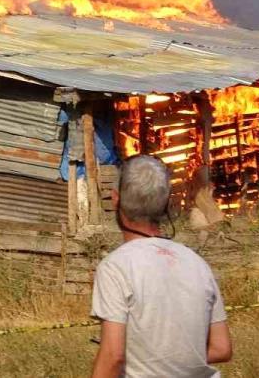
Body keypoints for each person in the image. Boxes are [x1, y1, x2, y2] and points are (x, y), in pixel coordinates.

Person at [90, 155, 232, 378]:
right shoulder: (197, 264)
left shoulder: (115, 267)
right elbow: (221, 347)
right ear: (166, 205)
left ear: (115, 199)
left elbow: (112, 356)